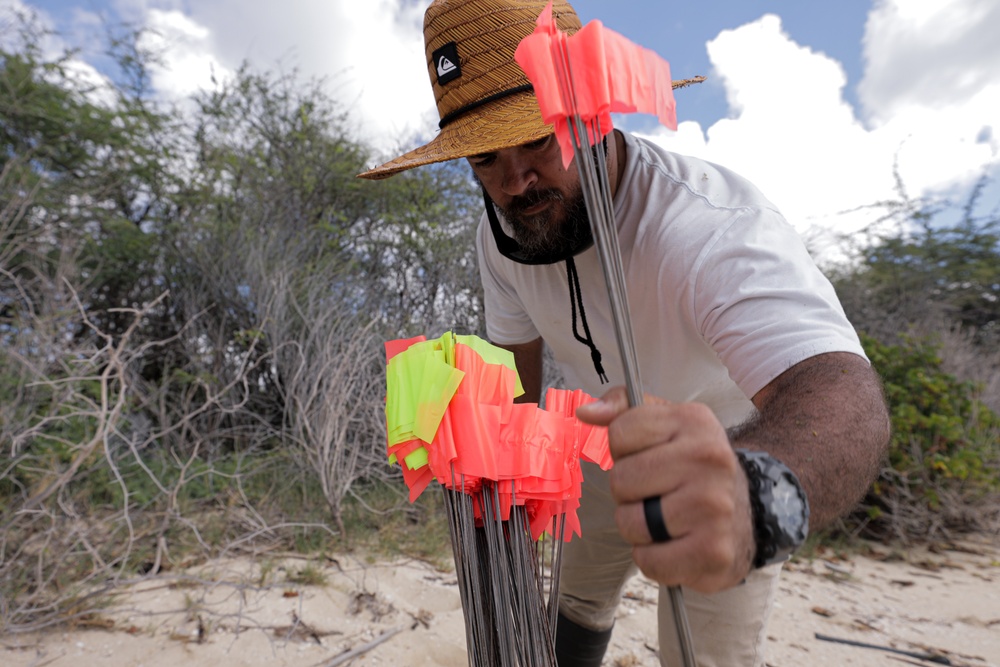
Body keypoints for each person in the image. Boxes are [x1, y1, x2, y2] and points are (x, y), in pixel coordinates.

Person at [359, 1, 891, 665]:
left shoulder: (705, 226)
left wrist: (756, 491)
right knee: (573, 607)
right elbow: (516, 385)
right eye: (485, 157)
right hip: (601, 444)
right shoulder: (501, 240)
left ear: (595, 118)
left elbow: (842, 391)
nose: (516, 181)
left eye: (536, 138)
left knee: (703, 653)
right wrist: (494, 470)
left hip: (725, 455)